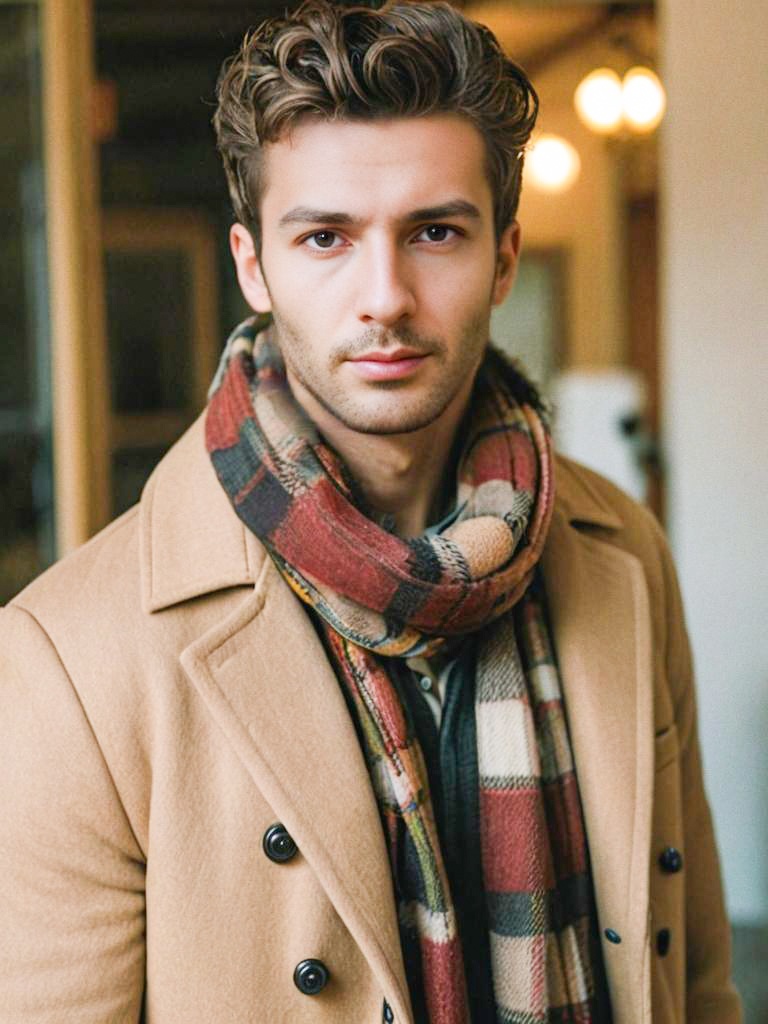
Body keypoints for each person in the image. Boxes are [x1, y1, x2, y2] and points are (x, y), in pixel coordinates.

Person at [0, 2, 740, 1022]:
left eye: (435, 232)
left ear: (505, 254)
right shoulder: (64, 656)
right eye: (326, 238)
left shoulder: (621, 551)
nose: (384, 294)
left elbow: (695, 977)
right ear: (254, 265)